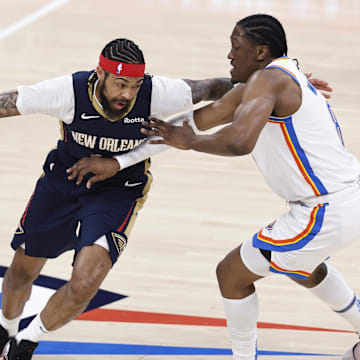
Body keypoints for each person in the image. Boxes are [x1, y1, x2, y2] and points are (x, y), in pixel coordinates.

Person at [139, 14, 360, 360]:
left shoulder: (268, 81)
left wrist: (193, 143)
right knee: (303, 267)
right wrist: (133, 144)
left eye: (235, 46)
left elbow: (239, 141)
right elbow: (201, 118)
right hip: (345, 200)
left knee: (231, 274)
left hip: (325, 210)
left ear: (260, 52)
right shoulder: (274, 80)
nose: (229, 55)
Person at [0, 38, 236, 359]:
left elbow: (213, 87)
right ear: (100, 74)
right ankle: (6, 329)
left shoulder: (159, 93)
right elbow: (8, 103)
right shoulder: (68, 91)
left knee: (85, 284)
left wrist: (279, 81)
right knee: (22, 271)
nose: (127, 94)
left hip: (119, 189)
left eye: (135, 85)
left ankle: (26, 340)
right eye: (120, 84)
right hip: (65, 180)